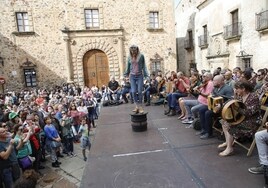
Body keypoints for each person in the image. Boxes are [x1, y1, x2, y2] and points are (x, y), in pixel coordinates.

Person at [218, 80, 262, 156]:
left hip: (252, 121)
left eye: (237, 88)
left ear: (243, 89)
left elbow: (249, 113)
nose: (235, 90)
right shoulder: (240, 96)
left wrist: (237, 108)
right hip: (244, 118)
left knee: (230, 125)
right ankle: (228, 142)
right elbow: (233, 102)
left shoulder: (253, 97)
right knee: (224, 121)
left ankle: (229, 148)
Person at [197, 75, 234, 139]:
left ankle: (209, 133)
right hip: (214, 106)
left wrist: (221, 104)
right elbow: (212, 95)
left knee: (208, 113)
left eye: (215, 81)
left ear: (221, 82)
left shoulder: (228, 88)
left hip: (223, 109)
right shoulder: (215, 88)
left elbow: (230, 100)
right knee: (201, 110)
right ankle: (204, 129)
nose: (213, 82)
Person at [124, 45, 149, 114]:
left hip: (140, 75)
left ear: (137, 51)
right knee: (133, 91)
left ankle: (140, 106)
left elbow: (144, 66)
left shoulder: (141, 56)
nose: (133, 53)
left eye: (134, 52)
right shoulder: (129, 57)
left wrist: (146, 76)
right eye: (132, 52)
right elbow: (128, 66)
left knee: (140, 91)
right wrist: (126, 74)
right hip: (132, 76)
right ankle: (136, 106)